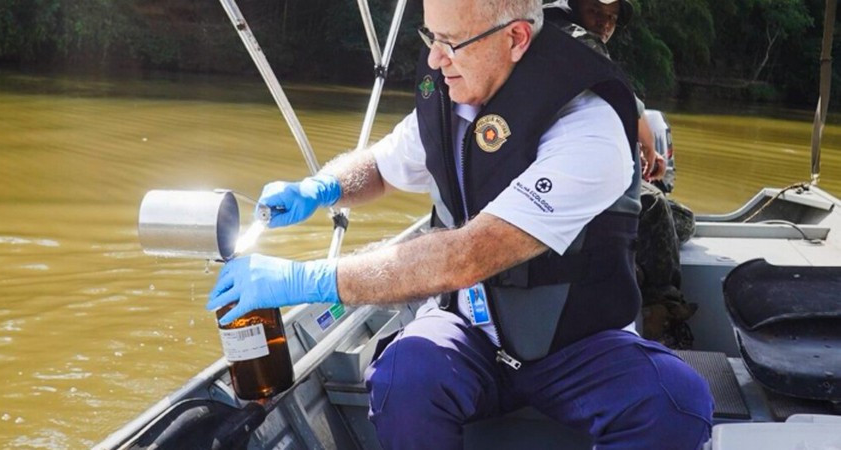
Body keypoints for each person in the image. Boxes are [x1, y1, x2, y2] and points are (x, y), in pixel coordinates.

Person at [208, 1, 714, 448]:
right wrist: (319, 188)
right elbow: (381, 166)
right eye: (430, 37)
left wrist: (309, 279)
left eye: (451, 42)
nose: (433, 59)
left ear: (515, 38)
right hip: (469, 330)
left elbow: (465, 256)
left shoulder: (589, 127)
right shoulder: (454, 95)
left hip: (578, 344)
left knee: (676, 404)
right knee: (404, 376)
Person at [545, 0, 699, 348]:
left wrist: (645, 144)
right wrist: (645, 143)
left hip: (579, 173)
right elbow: (618, 94)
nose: (604, 23)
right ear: (574, 9)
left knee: (682, 221)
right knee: (658, 207)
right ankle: (662, 308)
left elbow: (620, 95)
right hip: (566, 178)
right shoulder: (572, 38)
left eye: (611, 18)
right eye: (596, 13)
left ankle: (638, 273)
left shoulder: (567, 38)